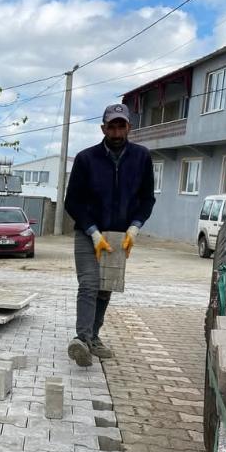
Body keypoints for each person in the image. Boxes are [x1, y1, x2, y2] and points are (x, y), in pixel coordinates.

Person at [64, 103, 156, 366]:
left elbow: (147, 199)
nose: (116, 132)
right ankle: (82, 339)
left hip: (118, 235)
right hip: (88, 233)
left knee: (105, 287)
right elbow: (72, 202)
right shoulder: (86, 159)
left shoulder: (141, 157)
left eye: (121, 126)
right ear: (103, 128)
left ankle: (93, 337)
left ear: (129, 127)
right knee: (89, 284)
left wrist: (134, 227)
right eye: (111, 126)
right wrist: (93, 232)